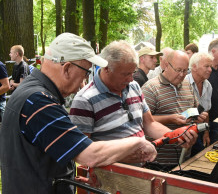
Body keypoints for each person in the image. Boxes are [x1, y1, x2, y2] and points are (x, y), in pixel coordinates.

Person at [0, 33, 157, 194]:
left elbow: (35, 156)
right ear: (67, 68)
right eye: (86, 72)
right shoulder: (39, 102)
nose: (85, 80)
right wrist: (137, 143)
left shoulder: (31, 92)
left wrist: (69, 179)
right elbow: (89, 155)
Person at [69, 41, 197, 164]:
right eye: (125, 74)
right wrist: (123, 156)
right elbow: (83, 152)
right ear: (106, 69)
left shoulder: (134, 87)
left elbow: (149, 124)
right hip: (109, 178)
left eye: (133, 72)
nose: (131, 79)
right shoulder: (85, 100)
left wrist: (176, 136)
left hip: (141, 170)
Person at [142, 50, 207, 163]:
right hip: (158, 161)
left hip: (185, 157)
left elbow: (195, 108)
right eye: (178, 70)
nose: (181, 74)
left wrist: (198, 116)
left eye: (185, 70)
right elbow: (144, 121)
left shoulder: (187, 85)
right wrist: (170, 118)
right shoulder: (150, 88)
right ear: (166, 65)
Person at [186, 52, 213, 156]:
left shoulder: (208, 85)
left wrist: (206, 132)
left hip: (199, 131)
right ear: (194, 67)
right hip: (185, 133)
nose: (210, 70)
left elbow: (206, 111)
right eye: (206, 66)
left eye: (210, 66)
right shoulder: (184, 83)